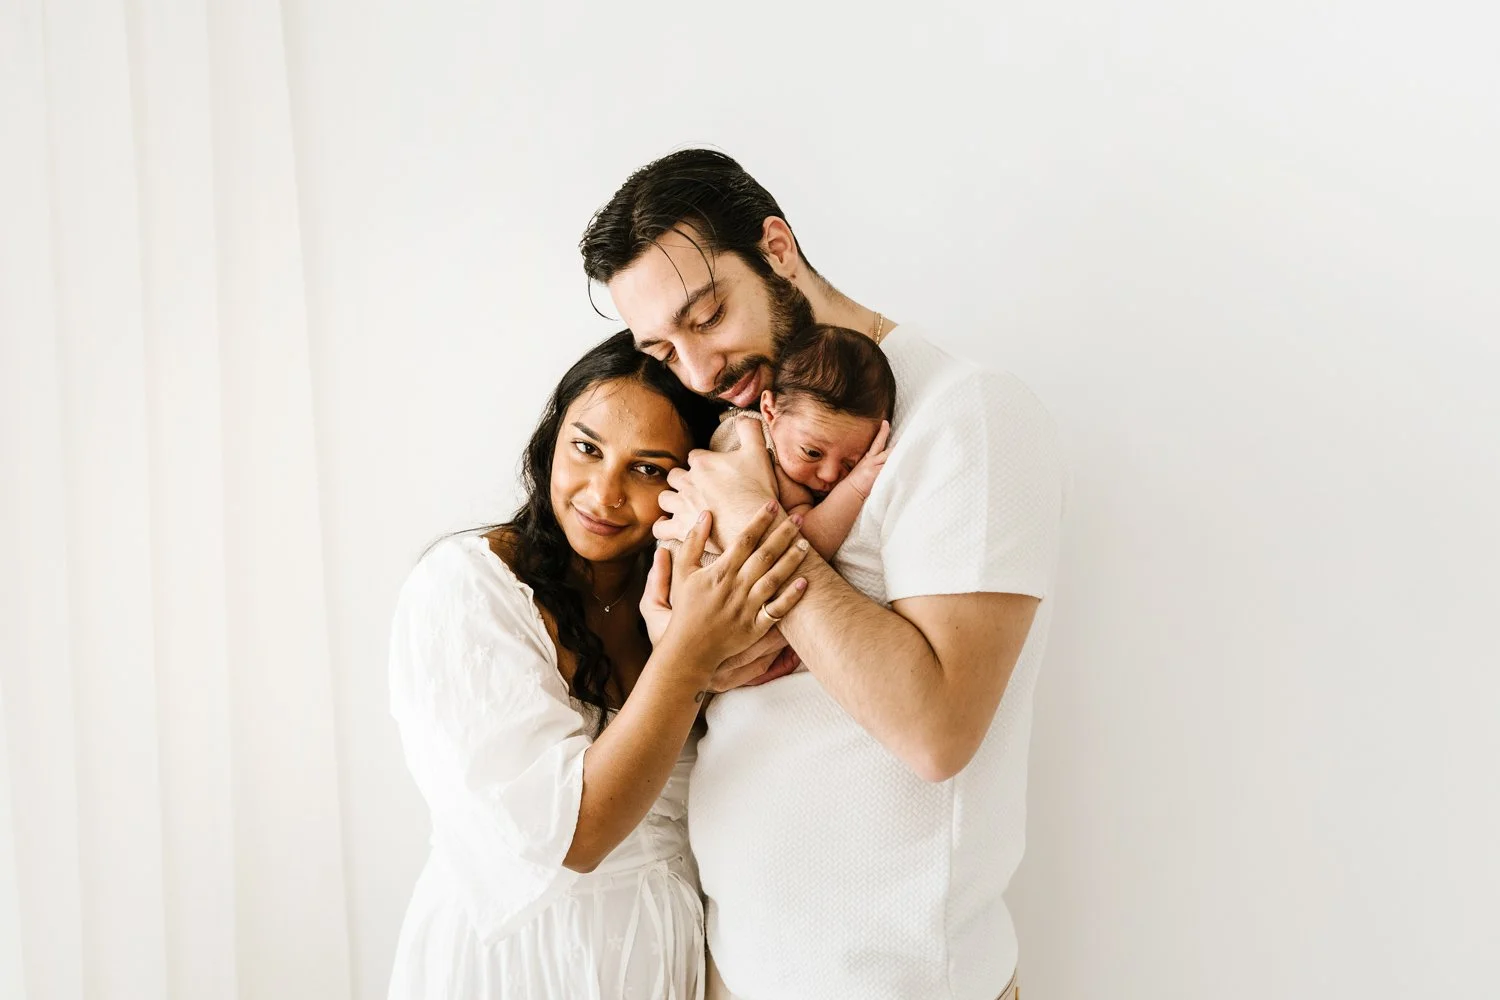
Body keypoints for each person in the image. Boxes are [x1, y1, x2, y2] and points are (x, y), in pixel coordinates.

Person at [581, 150, 1066, 1000]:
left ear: (776, 247)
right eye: (663, 348)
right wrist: (684, 641)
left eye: (708, 317)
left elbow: (935, 729)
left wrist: (755, 521)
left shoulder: (968, 416)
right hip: (739, 966)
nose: (698, 372)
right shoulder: (737, 432)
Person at [386, 331, 811, 1000]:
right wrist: (688, 659)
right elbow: (572, 838)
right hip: (514, 963)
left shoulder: (694, 598)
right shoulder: (466, 589)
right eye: (586, 449)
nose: (604, 493)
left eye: (647, 468)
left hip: (664, 955)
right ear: (551, 438)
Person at [675, 321, 895, 562]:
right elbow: (800, 552)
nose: (831, 475)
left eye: (850, 464)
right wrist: (855, 485)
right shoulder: (751, 446)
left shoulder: (788, 445)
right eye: (812, 452)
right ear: (770, 411)